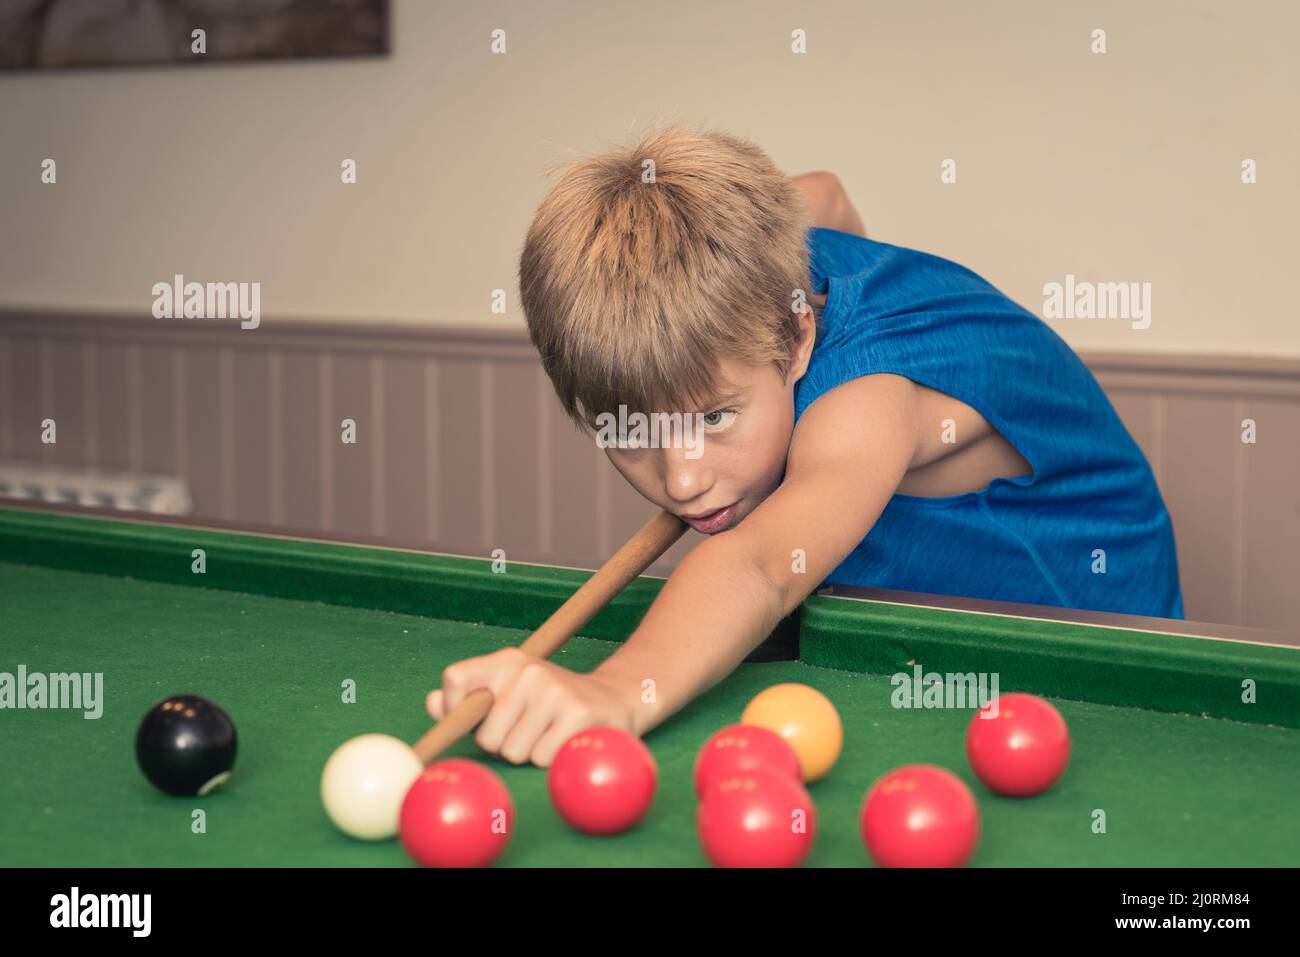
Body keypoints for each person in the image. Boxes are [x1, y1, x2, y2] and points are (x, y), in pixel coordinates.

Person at [427, 124, 1183, 766]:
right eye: (632, 435)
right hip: (915, 598)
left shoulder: (869, 398)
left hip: (1089, 618)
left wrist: (618, 691)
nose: (684, 481)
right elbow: (824, 192)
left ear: (796, 340)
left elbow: (760, 565)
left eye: (716, 418)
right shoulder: (767, 256)